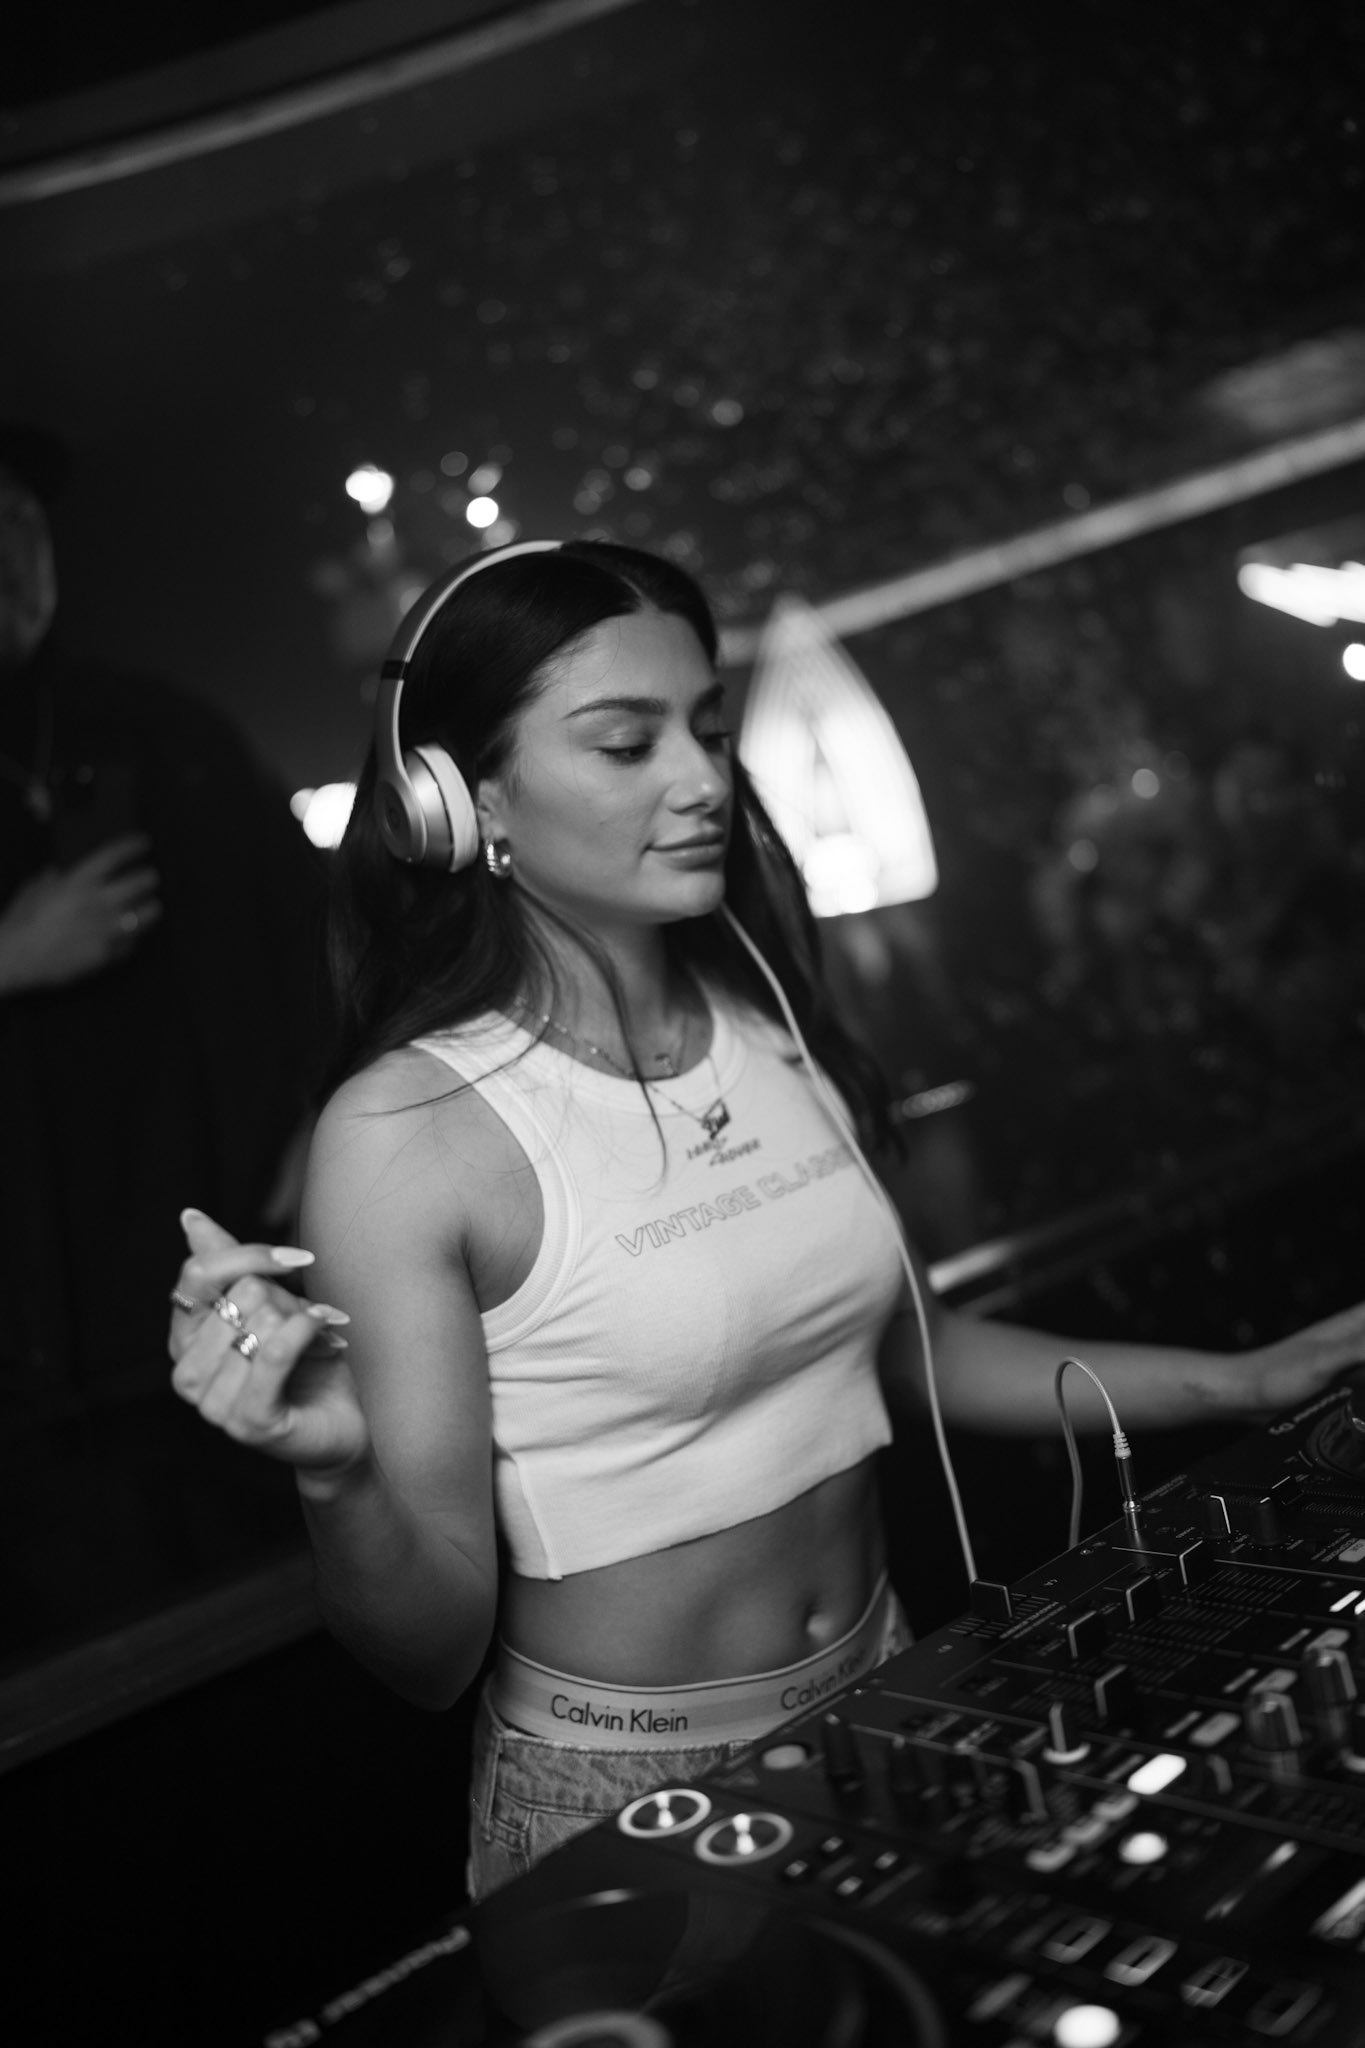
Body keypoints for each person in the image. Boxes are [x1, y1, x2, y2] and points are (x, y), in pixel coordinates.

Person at [166, 538, 1365, 1901]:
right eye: (627, 743)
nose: (702, 780)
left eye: (709, 729)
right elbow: (426, 1655)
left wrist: (1244, 1381)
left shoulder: (763, 1018)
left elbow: (911, 1345)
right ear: (463, 799)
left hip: (891, 1693)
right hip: (625, 1788)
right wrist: (337, 1472)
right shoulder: (406, 1131)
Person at [0, 422, 324, 1642]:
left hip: (228, 1324)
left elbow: (325, 950)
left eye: (19, 520)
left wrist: (323, 1134)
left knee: (288, 1647)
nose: (6, 554)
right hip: (24, 1408)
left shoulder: (171, 732)